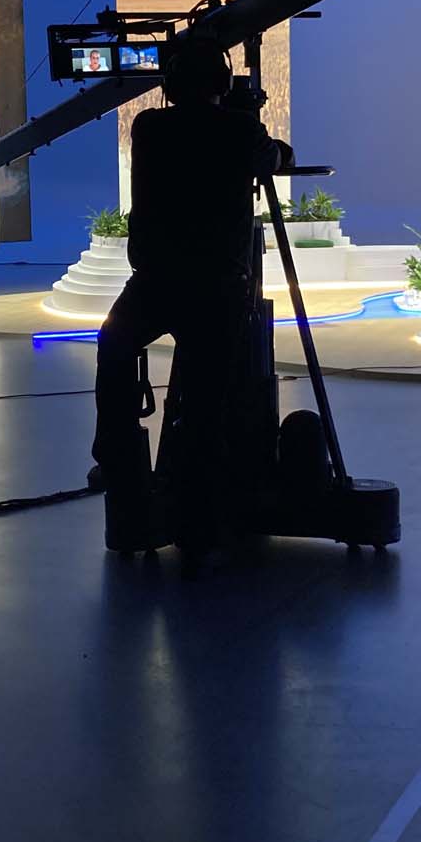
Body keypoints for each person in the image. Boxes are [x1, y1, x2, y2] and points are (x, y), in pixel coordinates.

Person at [92, 46, 291, 553]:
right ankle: (200, 519)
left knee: (113, 344)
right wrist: (251, 122)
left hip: (156, 280)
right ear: (220, 84)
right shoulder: (239, 130)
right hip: (217, 287)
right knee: (205, 404)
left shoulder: (148, 127)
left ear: (171, 87)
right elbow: (274, 159)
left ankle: (113, 450)